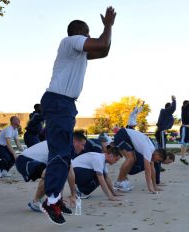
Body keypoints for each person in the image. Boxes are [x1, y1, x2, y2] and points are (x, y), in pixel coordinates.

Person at [39, 6, 116, 225]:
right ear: (80, 33)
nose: (90, 37)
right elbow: (100, 43)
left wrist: (108, 31)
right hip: (58, 101)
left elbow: (104, 50)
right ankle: (51, 199)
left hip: (65, 103)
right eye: (88, 33)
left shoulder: (79, 53)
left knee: (64, 153)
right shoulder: (69, 41)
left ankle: (55, 198)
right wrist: (108, 26)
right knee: (60, 152)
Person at [15, 131, 86, 214]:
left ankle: (57, 202)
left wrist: (73, 195)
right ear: (75, 142)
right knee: (53, 173)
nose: (83, 148)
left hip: (34, 162)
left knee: (60, 172)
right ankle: (35, 202)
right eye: (82, 145)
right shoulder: (60, 147)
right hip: (24, 161)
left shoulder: (65, 149)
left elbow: (70, 174)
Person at [113, 128, 167, 193]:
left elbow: (152, 169)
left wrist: (154, 186)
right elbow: (148, 171)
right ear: (157, 154)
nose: (157, 162)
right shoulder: (148, 150)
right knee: (130, 159)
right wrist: (150, 187)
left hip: (127, 137)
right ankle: (119, 182)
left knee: (133, 159)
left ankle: (122, 181)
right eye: (158, 160)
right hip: (122, 135)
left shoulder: (152, 150)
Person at [155, 95, 176, 173]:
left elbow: (170, 125)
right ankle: (158, 165)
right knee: (162, 150)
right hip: (160, 132)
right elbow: (173, 108)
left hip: (162, 132)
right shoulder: (164, 111)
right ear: (168, 108)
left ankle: (158, 164)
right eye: (170, 108)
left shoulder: (168, 115)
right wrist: (174, 100)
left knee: (162, 149)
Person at [179, 87, 189, 165]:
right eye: (188, 104)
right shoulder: (184, 108)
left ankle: (183, 157)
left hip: (187, 128)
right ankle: (182, 157)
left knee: (185, 143)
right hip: (184, 128)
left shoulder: (187, 110)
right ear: (185, 104)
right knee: (183, 143)